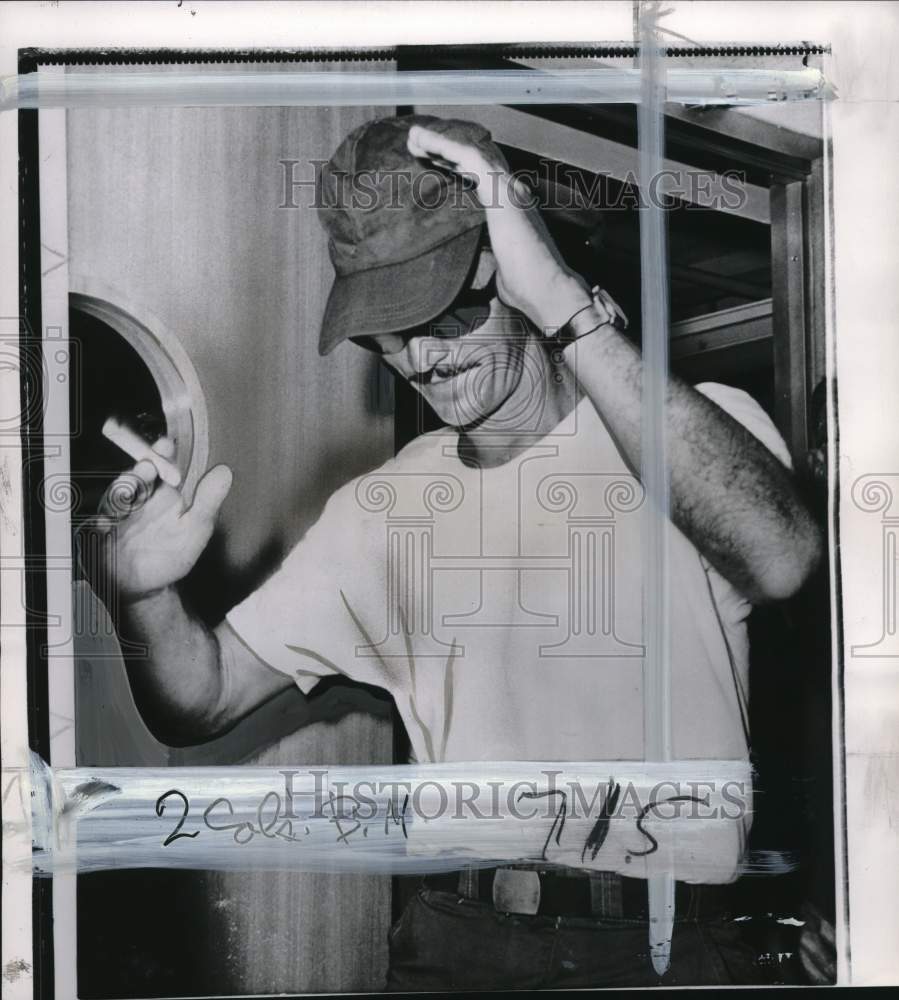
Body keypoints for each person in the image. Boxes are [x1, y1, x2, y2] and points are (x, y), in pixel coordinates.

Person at [92, 114, 822, 989]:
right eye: (385, 331)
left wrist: (562, 303)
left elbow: (782, 560)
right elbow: (199, 699)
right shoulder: (378, 511)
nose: (419, 358)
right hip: (459, 944)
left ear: (505, 269)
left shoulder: (691, 430)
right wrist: (142, 598)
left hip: (667, 949)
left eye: (438, 314)